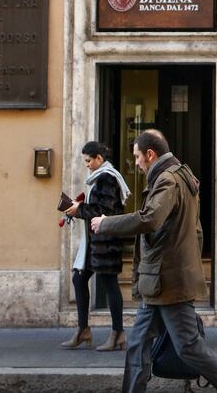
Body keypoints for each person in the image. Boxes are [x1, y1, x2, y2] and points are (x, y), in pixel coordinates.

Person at [90, 130, 217, 393]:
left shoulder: (167, 180)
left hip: (169, 282)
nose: (136, 163)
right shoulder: (180, 176)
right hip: (160, 280)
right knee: (137, 346)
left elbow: (149, 219)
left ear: (150, 154)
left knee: (190, 349)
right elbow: (197, 231)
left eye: (137, 157)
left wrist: (106, 222)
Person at [61, 141, 131, 351]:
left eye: (89, 160)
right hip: (96, 243)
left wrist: (78, 209)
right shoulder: (99, 178)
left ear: (99, 159)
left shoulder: (107, 178)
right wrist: (79, 207)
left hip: (106, 242)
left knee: (109, 284)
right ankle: (83, 330)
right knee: (79, 278)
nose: (87, 165)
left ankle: (118, 333)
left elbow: (105, 210)